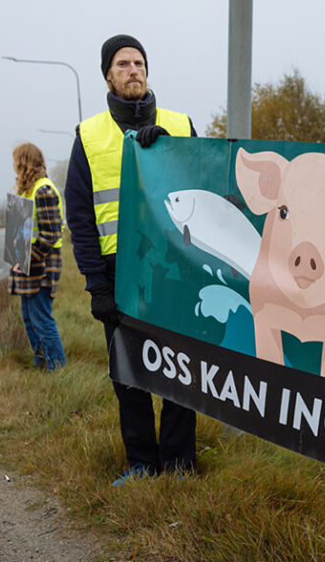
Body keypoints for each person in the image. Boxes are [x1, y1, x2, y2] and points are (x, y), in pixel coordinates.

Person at [65, 34, 199, 483]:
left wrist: (165, 154)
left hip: (174, 271)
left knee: (181, 369)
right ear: (108, 75)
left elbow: (205, 188)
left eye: (139, 62)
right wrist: (96, 285)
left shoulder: (180, 125)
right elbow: (80, 215)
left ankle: (180, 464)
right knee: (129, 374)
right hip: (119, 273)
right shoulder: (88, 135)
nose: (133, 70)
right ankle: (142, 463)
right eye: (122, 64)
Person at [8, 142, 67, 372]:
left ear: (23, 162)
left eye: (16, 162)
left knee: (41, 319)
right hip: (28, 264)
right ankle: (40, 362)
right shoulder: (27, 190)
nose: (14, 167)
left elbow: (51, 233)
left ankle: (57, 368)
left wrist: (28, 259)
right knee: (29, 318)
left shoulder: (44, 190)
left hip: (41, 263)